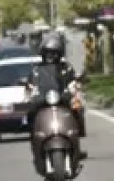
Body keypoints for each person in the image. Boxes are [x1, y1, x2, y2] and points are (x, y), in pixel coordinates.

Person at [24, 31, 88, 160]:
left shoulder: (66, 68)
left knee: (78, 107)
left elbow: (73, 82)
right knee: (30, 113)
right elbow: (30, 85)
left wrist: (76, 86)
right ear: (42, 53)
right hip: (42, 100)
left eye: (53, 53)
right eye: (47, 52)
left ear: (59, 54)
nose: (50, 56)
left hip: (63, 98)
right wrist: (30, 92)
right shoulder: (36, 70)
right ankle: (34, 140)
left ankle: (77, 142)